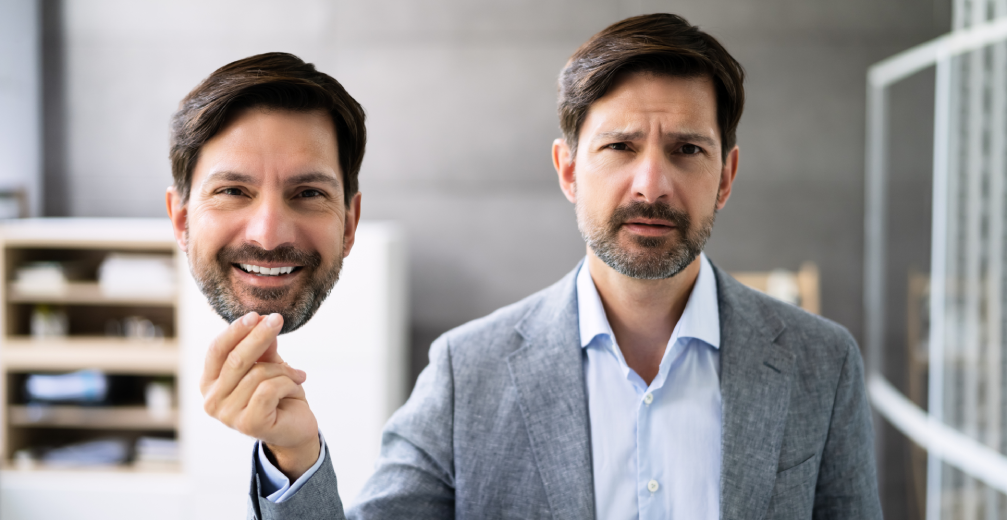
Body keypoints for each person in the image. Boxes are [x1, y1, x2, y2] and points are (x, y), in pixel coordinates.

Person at [177, 14, 882, 520]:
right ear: (568, 168)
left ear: (724, 176)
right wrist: (295, 456)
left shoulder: (821, 364)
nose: (650, 184)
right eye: (620, 147)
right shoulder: (468, 372)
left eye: (687, 151)